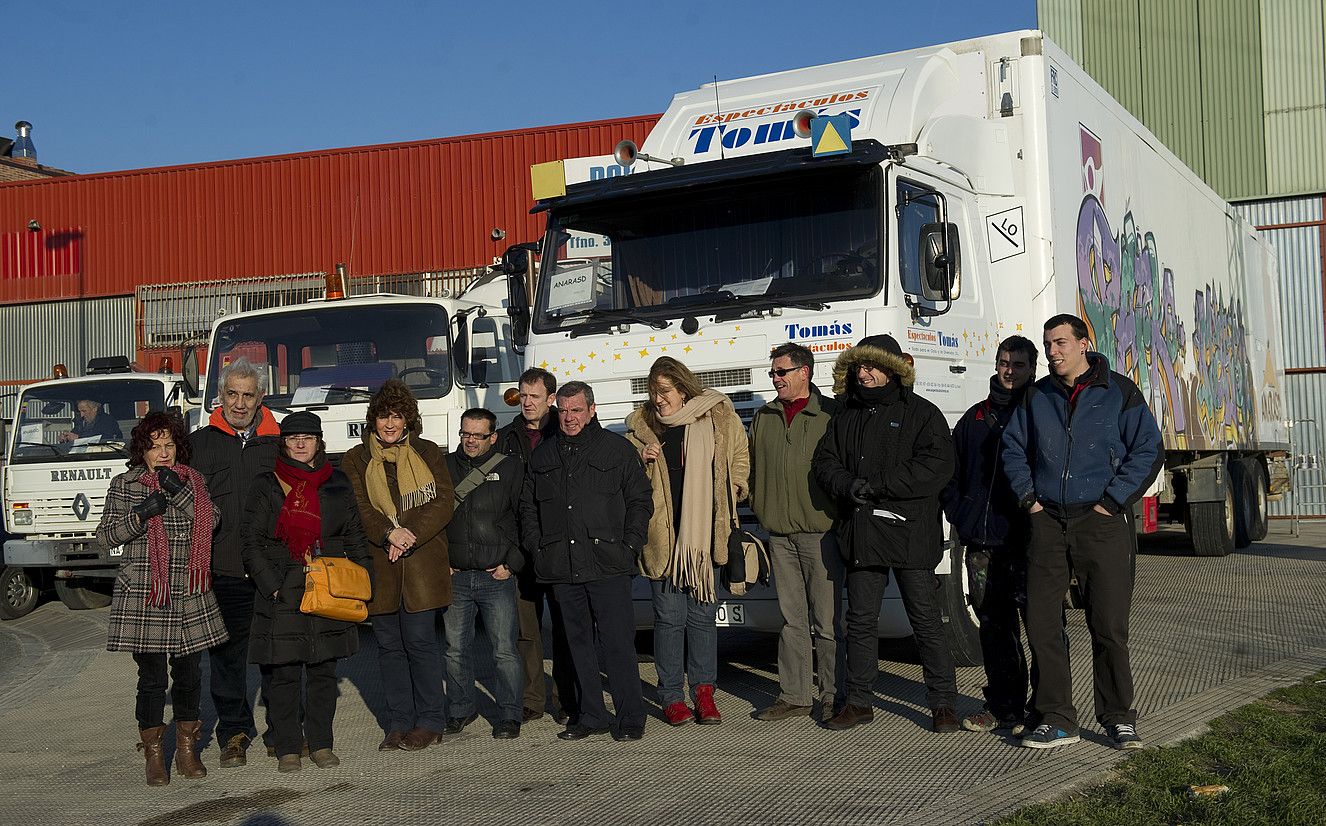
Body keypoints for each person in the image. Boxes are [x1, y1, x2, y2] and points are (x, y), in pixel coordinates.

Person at [1003, 314, 1163, 750]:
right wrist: (1028, 500)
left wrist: (1112, 502)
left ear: (1083, 343)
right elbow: (1014, 448)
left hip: (1101, 521)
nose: (1052, 352)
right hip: (1047, 520)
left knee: (1108, 624)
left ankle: (1117, 717)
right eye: (1047, 344)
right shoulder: (1036, 395)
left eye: (1060, 343)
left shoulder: (1119, 391)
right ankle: (1057, 718)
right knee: (1041, 622)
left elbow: (1148, 448)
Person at [812, 334, 959, 733]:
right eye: (859, 366)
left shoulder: (922, 414)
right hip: (862, 532)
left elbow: (935, 467)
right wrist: (847, 485)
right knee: (859, 620)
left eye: (872, 366)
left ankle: (943, 703)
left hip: (910, 532)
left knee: (925, 619)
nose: (865, 373)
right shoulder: (845, 415)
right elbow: (824, 462)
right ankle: (858, 701)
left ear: (893, 369)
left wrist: (877, 484)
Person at [97, 410, 227, 786]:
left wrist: (180, 491)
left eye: (170, 446)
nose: (164, 453)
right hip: (146, 595)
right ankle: (155, 753)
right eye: (155, 448)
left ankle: (186, 748)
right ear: (143, 451)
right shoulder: (125, 484)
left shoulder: (193, 480)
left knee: (188, 677)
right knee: (151, 679)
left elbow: (212, 519)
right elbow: (104, 538)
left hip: (188, 593)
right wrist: (139, 516)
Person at [519, 381, 653, 742]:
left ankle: (630, 717)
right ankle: (590, 714)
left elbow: (641, 500)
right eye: (563, 410)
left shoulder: (617, 450)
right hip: (561, 567)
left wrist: (629, 545)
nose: (569, 418)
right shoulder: (543, 456)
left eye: (576, 410)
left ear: (592, 410)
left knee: (618, 644)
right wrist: (537, 547)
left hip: (608, 563)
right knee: (576, 644)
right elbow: (528, 508)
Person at [242, 411, 372, 772]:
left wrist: (364, 582)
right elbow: (250, 542)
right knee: (283, 674)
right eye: (293, 437)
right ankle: (286, 747)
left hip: (328, 587)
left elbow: (355, 537)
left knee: (322, 672)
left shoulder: (338, 483)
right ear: (283, 442)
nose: (300, 443)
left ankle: (321, 744)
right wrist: (272, 589)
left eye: (308, 437)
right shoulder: (267, 484)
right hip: (284, 589)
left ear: (319, 442)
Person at [623, 357, 747, 726]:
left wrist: (737, 486)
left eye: (664, 392)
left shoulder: (717, 414)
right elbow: (625, 481)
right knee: (669, 619)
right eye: (653, 392)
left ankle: (704, 693)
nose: (658, 400)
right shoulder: (643, 429)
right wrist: (641, 459)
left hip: (705, 537)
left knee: (703, 618)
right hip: (665, 540)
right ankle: (672, 696)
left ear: (682, 388)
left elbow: (739, 454)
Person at [342, 379, 456, 752]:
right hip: (381, 563)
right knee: (389, 648)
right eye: (382, 416)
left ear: (408, 419)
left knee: (421, 643)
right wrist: (388, 535)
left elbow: (443, 502)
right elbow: (359, 508)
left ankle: (430, 722)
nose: (389, 424)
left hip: (422, 562)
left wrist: (409, 534)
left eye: (397, 416)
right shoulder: (356, 458)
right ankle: (399, 722)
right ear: (372, 420)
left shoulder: (427, 452)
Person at [188, 357, 281, 766]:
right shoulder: (198, 444)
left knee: (278, 655)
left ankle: (283, 732)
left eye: (248, 395)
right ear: (220, 395)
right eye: (232, 394)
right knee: (226, 661)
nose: (239, 404)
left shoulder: (280, 442)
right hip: (223, 570)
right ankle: (234, 733)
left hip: (273, 569)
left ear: (260, 398)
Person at [943, 335, 1038, 733]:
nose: (1009, 370)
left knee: (1043, 630)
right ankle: (1004, 706)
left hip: (1030, 542)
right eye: (1004, 362)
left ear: (1033, 369)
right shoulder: (975, 418)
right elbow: (950, 474)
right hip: (982, 544)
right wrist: (962, 516)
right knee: (995, 630)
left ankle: (1046, 709)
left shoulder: (1042, 411)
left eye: (1018, 364)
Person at [748, 343, 845, 723]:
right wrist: (760, 504)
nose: (775, 379)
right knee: (792, 620)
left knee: (828, 620)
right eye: (772, 373)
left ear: (804, 372)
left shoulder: (828, 414)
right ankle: (795, 695)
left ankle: (834, 694)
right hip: (780, 535)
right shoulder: (764, 416)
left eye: (781, 372)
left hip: (821, 533)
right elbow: (752, 467)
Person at [496, 367, 576, 725]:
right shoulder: (505, 437)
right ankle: (532, 699)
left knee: (564, 626)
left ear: (551, 399)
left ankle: (566, 698)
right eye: (522, 396)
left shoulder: (567, 431)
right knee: (526, 630)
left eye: (534, 397)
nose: (527, 403)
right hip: (520, 548)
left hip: (559, 544)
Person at [443, 408, 526, 739]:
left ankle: (509, 714)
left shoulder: (511, 468)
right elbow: (431, 517)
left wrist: (512, 564)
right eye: (465, 434)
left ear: (493, 437)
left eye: (477, 435)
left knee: (504, 650)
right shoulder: (445, 467)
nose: (470, 441)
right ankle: (461, 708)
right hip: (456, 576)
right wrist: (442, 561)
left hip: (496, 577)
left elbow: (526, 518)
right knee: (454, 650)